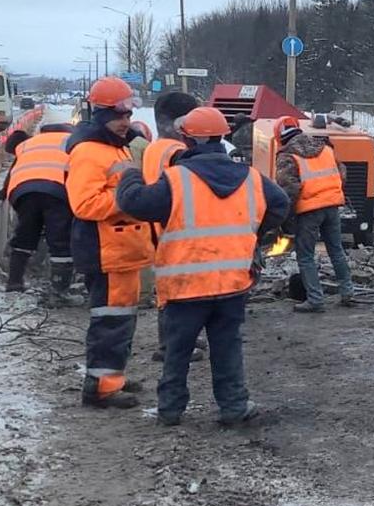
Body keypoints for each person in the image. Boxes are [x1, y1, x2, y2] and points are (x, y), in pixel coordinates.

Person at [116, 107, 289, 426]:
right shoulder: (252, 178)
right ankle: (234, 406)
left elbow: (134, 203)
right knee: (227, 348)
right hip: (232, 284)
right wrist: (255, 233)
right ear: (223, 138)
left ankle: (170, 410)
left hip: (185, 286)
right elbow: (280, 204)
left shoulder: (176, 180)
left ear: (186, 140)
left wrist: (131, 173)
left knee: (177, 351)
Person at [66, 77, 154, 410]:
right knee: (111, 321)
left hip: (121, 250)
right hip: (107, 250)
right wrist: (128, 197)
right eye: (119, 117)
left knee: (121, 318)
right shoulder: (89, 152)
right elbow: (85, 205)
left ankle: (111, 375)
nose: (125, 123)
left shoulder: (114, 146)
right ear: (101, 114)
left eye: (129, 116)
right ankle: (101, 388)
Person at [136, 92, 205, 362]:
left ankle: (177, 340)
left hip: (159, 227)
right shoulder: (177, 152)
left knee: (170, 287)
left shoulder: (155, 147)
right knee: (180, 289)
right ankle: (172, 345)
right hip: (178, 228)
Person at [274, 117, 355, 312]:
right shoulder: (325, 148)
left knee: (306, 256)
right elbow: (342, 173)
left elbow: (289, 191)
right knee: (336, 250)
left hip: (309, 211)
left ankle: (315, 300)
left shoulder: (288, 156)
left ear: (280, 137)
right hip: (333, 206)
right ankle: (348, 292)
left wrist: (285, 219)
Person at [0, 122, 76, 300]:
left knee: (25, 234)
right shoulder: (73, 142)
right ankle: (59, 289)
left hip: (23, 191)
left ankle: (14, 282)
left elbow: (13, 171)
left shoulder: (30, 143)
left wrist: (3, 193)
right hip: (57, 192)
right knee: (60, 239)